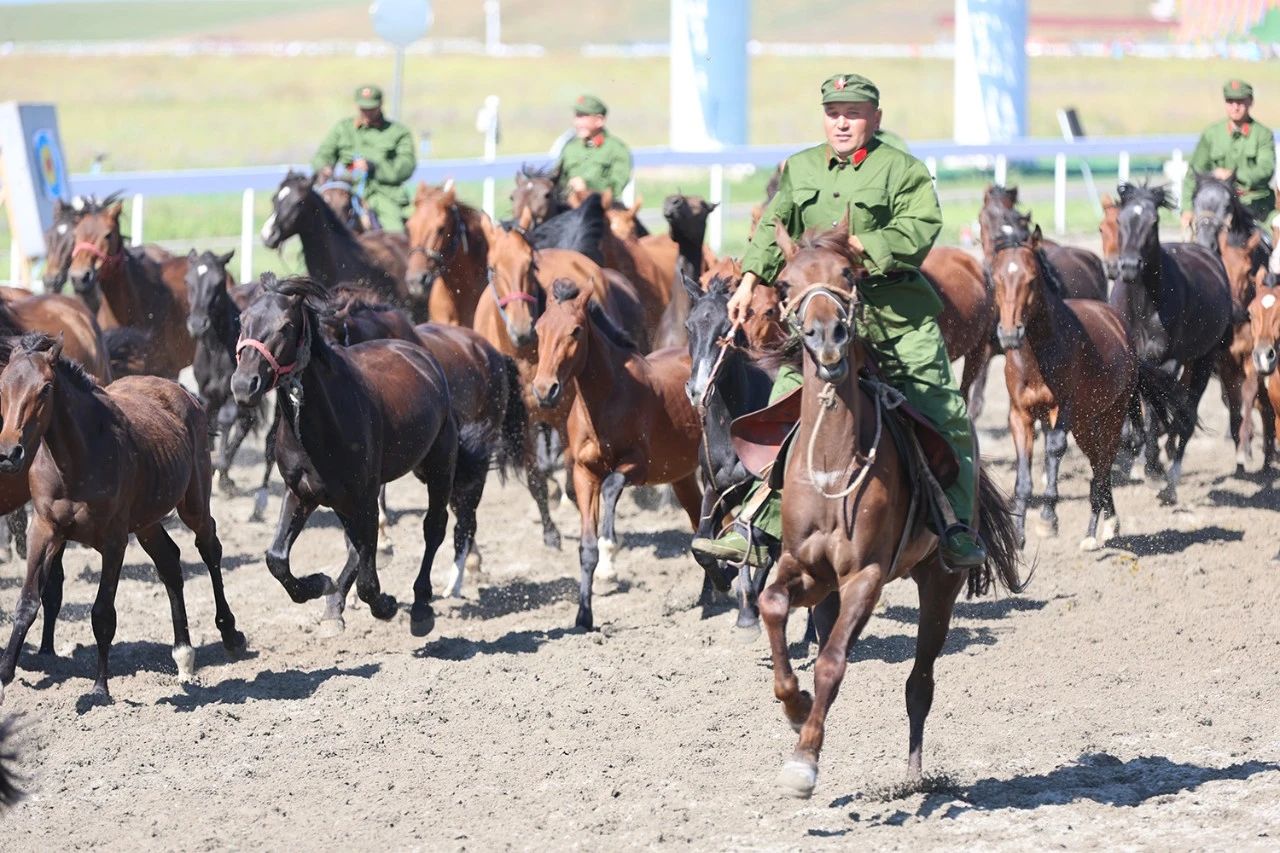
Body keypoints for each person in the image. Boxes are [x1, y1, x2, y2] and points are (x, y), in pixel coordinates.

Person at [690, 73, 987, 571]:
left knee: (945, 410)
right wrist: (747, 281)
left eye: (853, 112)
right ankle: (759, 526)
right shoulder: (801, 167)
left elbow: (920, 226)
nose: (843, 122)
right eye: (834, 112)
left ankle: (956, 526)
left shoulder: (903, 169)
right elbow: (772, 225)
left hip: (894, 316)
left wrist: (865, 246)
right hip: (820, 315)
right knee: (784, 407)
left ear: (876, 118)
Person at [312, 85, 417, 231]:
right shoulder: (343, 129)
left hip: (382, 193)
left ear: (380, 105)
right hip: (345, 189)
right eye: (363, 108)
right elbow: (322, 155)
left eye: (371, 108)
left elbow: (406, 166)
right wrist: (325, 167)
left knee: (395, 232)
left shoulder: (398, 132)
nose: (367, 113)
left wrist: (376, 168)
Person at [1181, 79, 1276, 227]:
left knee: (1274, 239)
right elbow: (1194, 173)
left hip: (1257, 207)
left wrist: (1233, 175)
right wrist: (1187, 209)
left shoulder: (1263, 134)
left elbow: (1265, 170)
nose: (1235, 107)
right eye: (1230, 102)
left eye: (1240, 102)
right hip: (1218, 207)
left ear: (1250, 102)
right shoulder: (1212, 134)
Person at [556, 94, 632, 199]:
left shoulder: (616, 149)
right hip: (570, 208)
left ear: (599, 120)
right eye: (576, 116)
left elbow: (617, 186)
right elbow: (559, 181)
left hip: (600, 208)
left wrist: (588, 188)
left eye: (582, 117)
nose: (577, 122)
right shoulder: (570, 148)